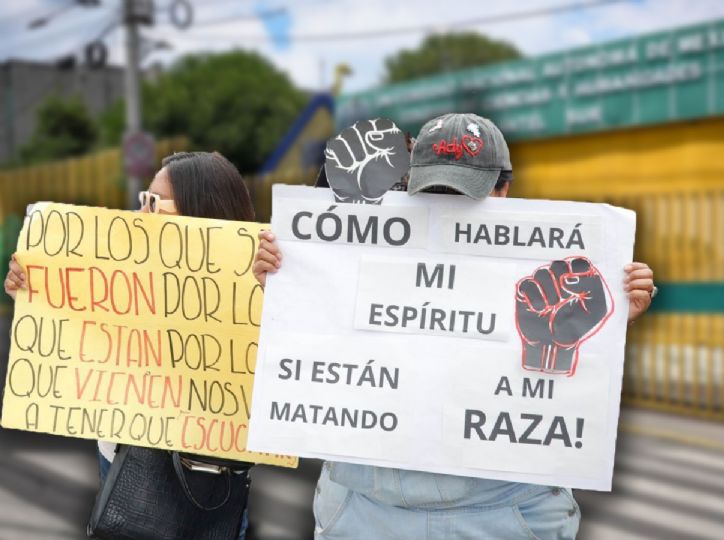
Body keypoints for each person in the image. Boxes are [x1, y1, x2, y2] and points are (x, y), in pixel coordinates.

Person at [253, 113, 655, 539]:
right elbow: (318, 356)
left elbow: (560, 393)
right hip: (366, 513)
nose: (448, 203)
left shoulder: (548, 269)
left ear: (504, 188)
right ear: (409, 182)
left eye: (467, 193)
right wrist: (286, 284)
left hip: (504, 515)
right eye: (435, 189)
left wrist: (608, 325)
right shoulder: (361, 247)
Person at [4, 151, 257, 540]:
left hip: (209, 482)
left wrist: (272, 291)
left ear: (201, 213)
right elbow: (71, 320)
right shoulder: (122, 270)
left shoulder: (258, 281)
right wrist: (33, 284)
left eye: (154, 203)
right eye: (142, 200)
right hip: (125, 464)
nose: (140, 214)